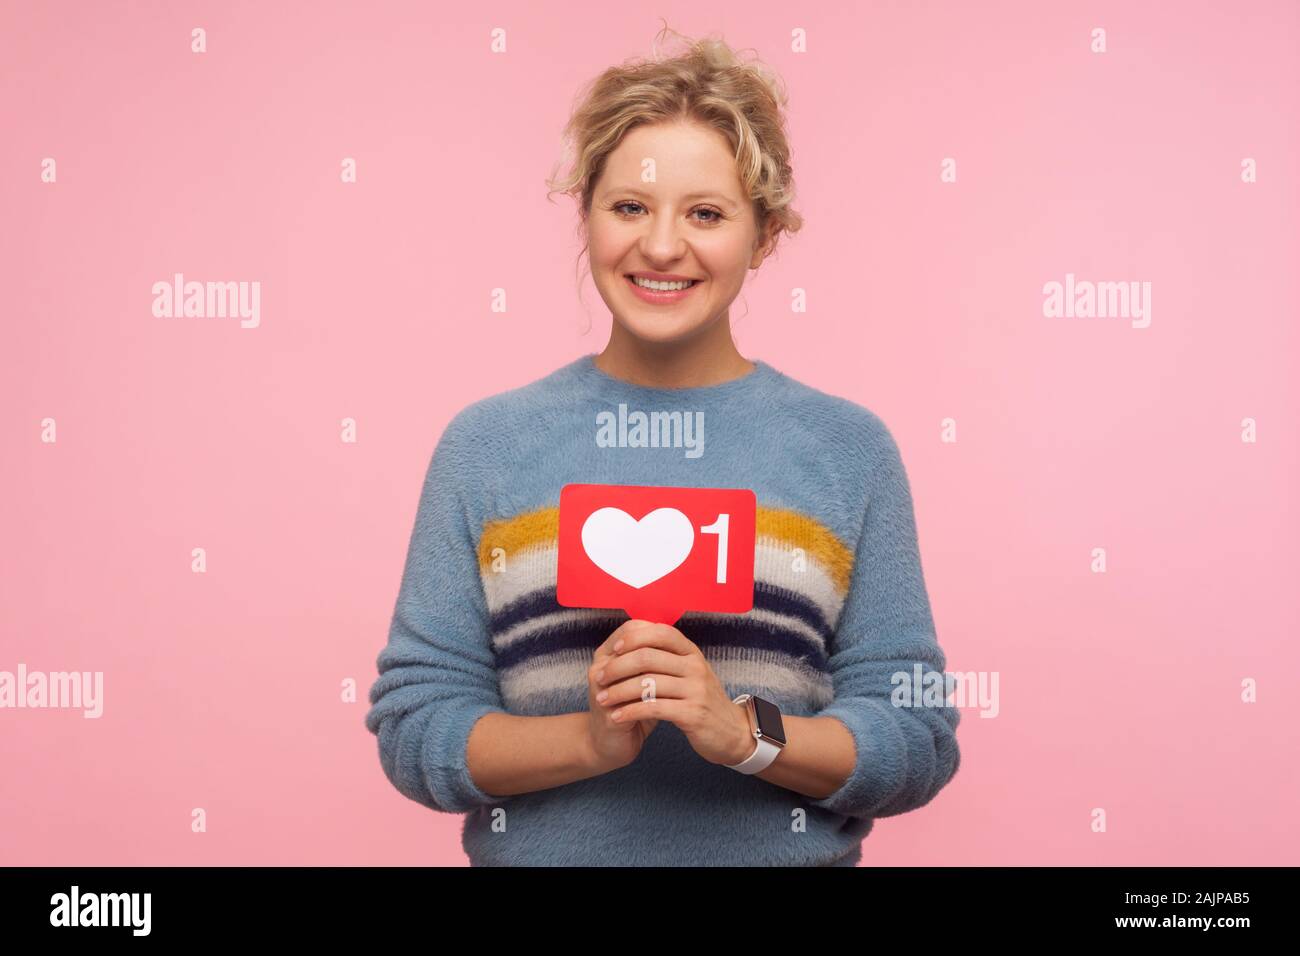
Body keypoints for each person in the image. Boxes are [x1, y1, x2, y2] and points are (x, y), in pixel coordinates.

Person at [364, 24, 960, 866]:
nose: (661, 245)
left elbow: (916, 733)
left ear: (766, 234)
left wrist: (741, 734)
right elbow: (415, 724)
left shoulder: (847, 449)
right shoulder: (488, 447)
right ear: (587, 216)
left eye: (707, 213)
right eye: (630, 206)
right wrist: (590, 741)